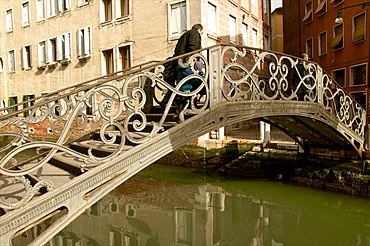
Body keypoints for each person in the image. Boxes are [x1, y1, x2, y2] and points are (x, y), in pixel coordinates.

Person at [161, 24, 203, 121]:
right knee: (192, 86)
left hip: (180, 64)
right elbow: (193, 47)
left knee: (182, 85)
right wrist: (195, 58)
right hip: (187, 63)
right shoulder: (194, 33)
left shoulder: (184, 35)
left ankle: (174, 106)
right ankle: (180, 111)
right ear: (199, 30)